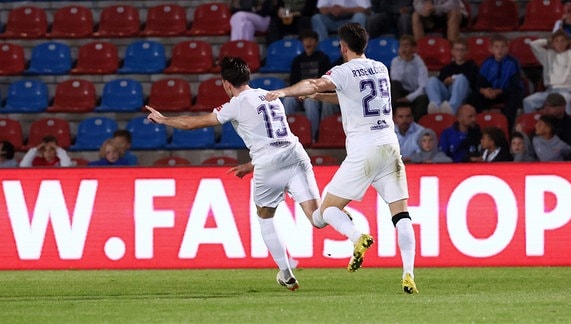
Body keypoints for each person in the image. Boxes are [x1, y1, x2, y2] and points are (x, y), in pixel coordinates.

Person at [147, 56, 362, 291]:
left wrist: (163, 119)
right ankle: (355, 235)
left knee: (265, 215)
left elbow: (192, 124)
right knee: (317, 217)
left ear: (226, 84)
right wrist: (250, 165)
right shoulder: (271, 96)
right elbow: (273, 137)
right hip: (295, 154)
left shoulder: (236, 104)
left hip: (269, 164)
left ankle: (286, 274)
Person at [265, 22, 419, 294]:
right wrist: (320, 97)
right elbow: (353, 98)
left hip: (364, 150)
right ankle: (408, 274)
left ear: (343, 46)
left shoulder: (342, 71)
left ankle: (357, 236)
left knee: (326, 212)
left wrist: (285, 92)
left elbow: (315, 82)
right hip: (390, 146)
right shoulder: (381, 68)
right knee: (401, 214)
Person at [283, 29, 338, 141]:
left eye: (311, 40)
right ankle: (285, 135)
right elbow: (294, 82)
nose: (309, 42)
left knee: (310, 102)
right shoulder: (297, 60)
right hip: (300, 93)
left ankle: (312, 136)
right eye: (306, 40)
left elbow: (324, 82)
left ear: (316, 42)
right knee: (288, 100)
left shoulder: (323, 58)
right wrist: (297, 93)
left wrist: (311, 94)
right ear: (302, 42)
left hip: (315, 94)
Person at [468, 34, 524, 132]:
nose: (500, 50)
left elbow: (515, 85)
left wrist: (499, 91)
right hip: (489, 94)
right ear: (491, 49)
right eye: (497, 47)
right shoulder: (487, 62)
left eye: (503, 47)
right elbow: (479, 82)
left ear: (507, 49)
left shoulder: (513, 62)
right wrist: (484, 91)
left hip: (505, 93)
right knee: (473, 97)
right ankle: (476, 128)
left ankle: (506, 129)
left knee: (514, 97)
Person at [523, 30, 571, 115]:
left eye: (563, 41)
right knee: (528, 101)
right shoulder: (547, 55)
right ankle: (534, 123)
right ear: (552, 43)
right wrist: (547, 41)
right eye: (556, 41)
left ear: (567, 42)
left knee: (566, 100)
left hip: (565, 91)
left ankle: (567, 126)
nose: (560, 43)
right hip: (550, 91)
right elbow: (534, 45)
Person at [425, 37, 478, 114]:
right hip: (448, 93)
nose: (459, 52)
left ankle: (452, 108)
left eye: (462, 50)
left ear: (467, 52)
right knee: (431, 80)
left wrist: (455, 80)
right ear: (452, 51)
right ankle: (436, 106)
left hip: (464, 93)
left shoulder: (472, 67)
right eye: (457, 50)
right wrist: (445, 82)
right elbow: (440, 84)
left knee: (461, 78)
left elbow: (473, 84)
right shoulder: (446, 68)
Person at [390, 34, 429, 121]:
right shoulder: (396, 61)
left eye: (406, 46)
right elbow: (396, 79)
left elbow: (423, 87)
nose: (404, 49)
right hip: (401, 92)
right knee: (394, 85)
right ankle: (393, 118)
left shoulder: (419, 63)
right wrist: (404, 61)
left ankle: (415, 123)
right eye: (402, 46)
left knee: (423, 98)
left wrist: (408, 98)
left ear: (413, 48)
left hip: (415, 93)